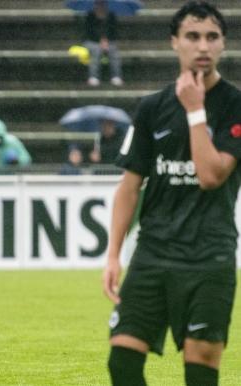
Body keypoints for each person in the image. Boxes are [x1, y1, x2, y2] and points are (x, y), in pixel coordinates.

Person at [103, 3, 241, 386]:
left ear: (223, 45)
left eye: (212, 37)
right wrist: (114, 255)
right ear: (174, 43)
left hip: (209, 256)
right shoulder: (151, 107)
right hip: (154, 253)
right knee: (122, 364)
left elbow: (212, 175)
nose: (203, 46)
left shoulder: (234, 105)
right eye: (193, 36)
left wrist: (196, 112)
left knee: (199, 374)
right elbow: (129, 187)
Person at [84, 0, 123, 87]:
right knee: (96, 50)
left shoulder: (111, 15)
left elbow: (114, 31)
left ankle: (116, 76)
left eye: (102, 4)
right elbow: (89, 32)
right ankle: (93, 76)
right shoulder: (90, 15)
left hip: (109, 41)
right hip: (92, 41)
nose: (100, 6)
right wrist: (100, 40)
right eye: (98, 4)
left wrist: (106, 40)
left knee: (113, 51)